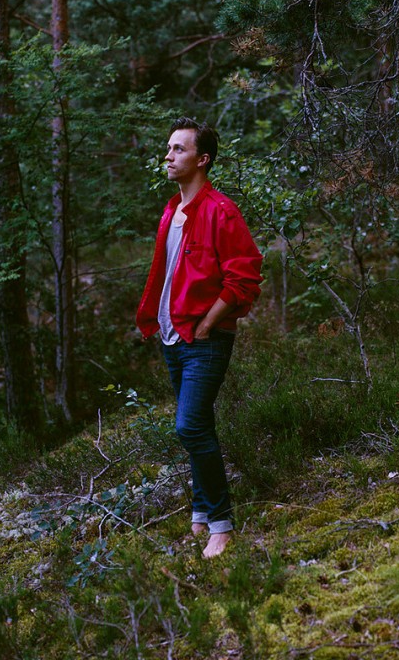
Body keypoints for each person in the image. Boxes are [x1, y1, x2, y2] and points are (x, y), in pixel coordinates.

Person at [136, 117, 263, 558]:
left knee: (189, 425)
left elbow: (245, 275)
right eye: (168, 148)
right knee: (198, 427)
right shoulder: (172, 211)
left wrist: (208, 323)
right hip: (174, 337)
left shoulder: (221, 211)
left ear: (202, 159)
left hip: (204, 339)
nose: (168, 156)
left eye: (178, 149)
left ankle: (222, 526)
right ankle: (201, 514)